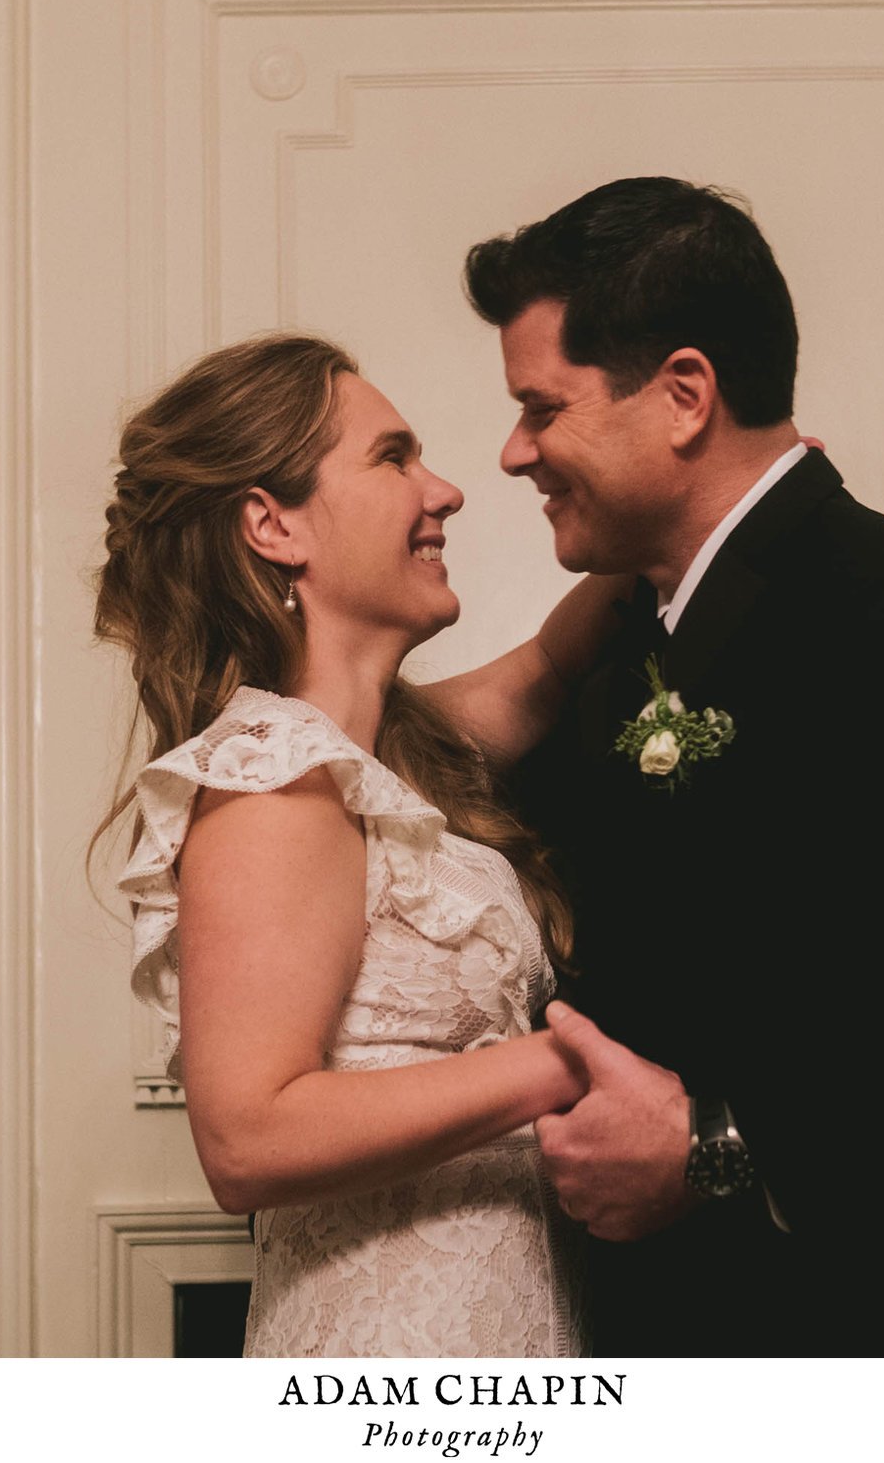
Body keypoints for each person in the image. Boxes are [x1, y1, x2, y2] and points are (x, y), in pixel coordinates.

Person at [465, 177, 884, 1356]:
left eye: (543, 406)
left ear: (683, 395)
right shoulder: (616, 642)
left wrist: (717, 1146)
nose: (515, 450)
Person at [93, 333, 630, 1356]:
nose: (444, 490)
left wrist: (738, 503)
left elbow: (554, 668)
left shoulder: (395, 751)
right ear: (273, 522)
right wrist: (568, 1063)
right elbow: (247, 1138)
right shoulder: (275, 780)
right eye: (393, 456)